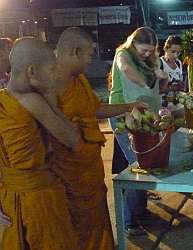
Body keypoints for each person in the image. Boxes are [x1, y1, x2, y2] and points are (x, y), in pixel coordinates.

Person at [53, 27, 148, 249]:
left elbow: (94, 109)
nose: (90, 60)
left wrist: (129, 106)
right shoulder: (48, 83)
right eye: (88, 54)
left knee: (96, 227)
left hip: (89, 171)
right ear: (75, 52)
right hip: (64, 177)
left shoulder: (79, 80)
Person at [0, 37, 81, 249]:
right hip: (39, 199)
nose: (55, 74)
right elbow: (72, 140)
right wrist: (49, 96)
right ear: (32, 72)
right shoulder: (31, 101)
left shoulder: (3, 100)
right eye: (52, 69)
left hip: (8, 199)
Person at [109, 26, 167, 236]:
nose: (147, 54)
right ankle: (127, 221)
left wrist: (162, 79)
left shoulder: (153, 59)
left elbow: (160, 89)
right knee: (137, 166)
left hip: (147, 116)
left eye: (150, 50)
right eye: (143, 50)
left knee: (146, 165)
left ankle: (140, 211)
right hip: (124, 115)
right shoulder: (123, 54)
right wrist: (147, 80)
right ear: (133, 44)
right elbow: (126, 69)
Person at [160, 35, 184, 116]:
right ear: (165, 49)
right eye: (173, 52)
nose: (176, 55)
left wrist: (181, 86)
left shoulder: (178, 63)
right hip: (162, 107)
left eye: (178, 52)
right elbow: (155, 89)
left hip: (176, 104)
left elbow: (180, 85)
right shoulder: (160, 64)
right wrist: (172, 87)